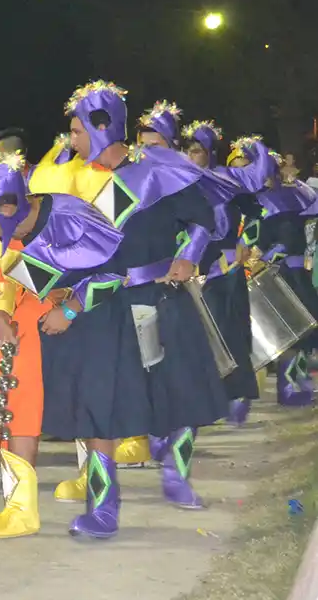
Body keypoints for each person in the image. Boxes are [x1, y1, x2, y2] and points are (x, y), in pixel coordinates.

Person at [43, 80, 235, 538]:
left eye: (78, 130)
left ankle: (176, 474)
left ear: (102, 126)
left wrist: (190, 253)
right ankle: (103, 508)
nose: (73, 140)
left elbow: (208, 218)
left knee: (181, 393)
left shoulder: (156, 170)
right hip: (108, 310)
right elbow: (92, 261)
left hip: (160, 302)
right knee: (99, 406)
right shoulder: (81, 183)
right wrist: (62, 299)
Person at [0, 152, 125, 539]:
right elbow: (13, 277)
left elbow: (116, 270)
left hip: (91, 321)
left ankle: (104, 507)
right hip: (30, 321)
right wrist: (2, 314)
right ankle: (20, 510)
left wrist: (72, 310)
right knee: (13, 404)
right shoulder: (12, 229)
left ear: (7, 208)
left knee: (95, 408)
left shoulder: (70, 215)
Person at [181, 120, 260, 425]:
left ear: (209, 153)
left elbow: (257, 213)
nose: (192, 157)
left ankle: (236, 395)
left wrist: (246, 243)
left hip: (224, 271)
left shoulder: (225, 181)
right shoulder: (178, 185)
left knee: (231, 334)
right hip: (188, 271)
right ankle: (205, 398)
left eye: (198, 151)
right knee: (196, 337)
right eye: (187, 151)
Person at [231, 136, 318, 405]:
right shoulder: (248, 199)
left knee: (299, 330)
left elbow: (293, 237)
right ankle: (287, 387)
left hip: (288, 273)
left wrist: (267, 255)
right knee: (282, 332)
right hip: (264, 274)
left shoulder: (288, 196)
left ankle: (294, 385)